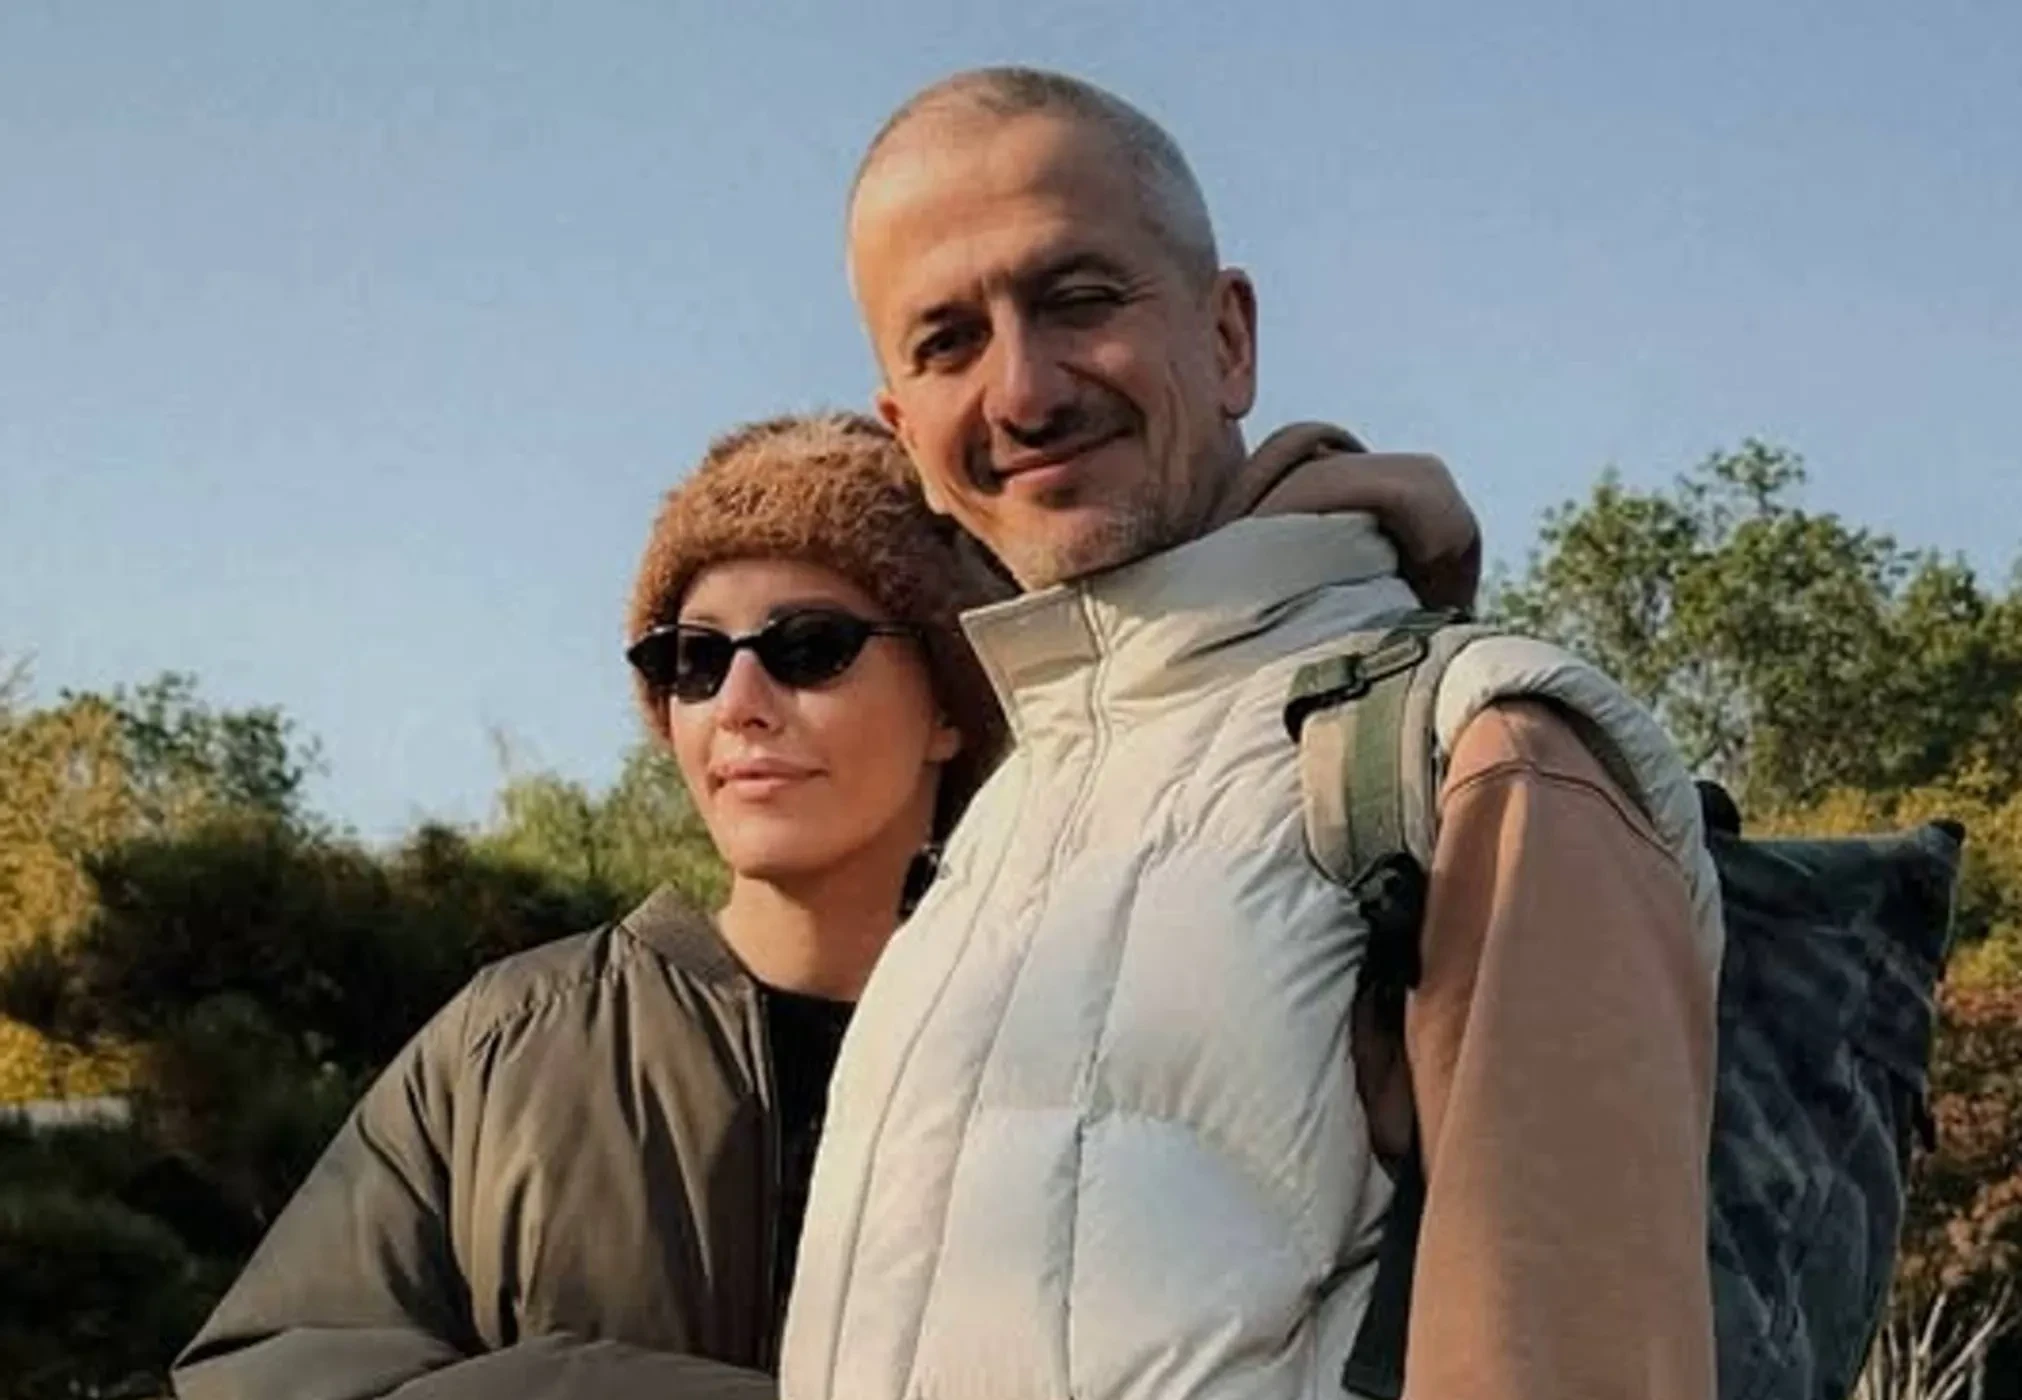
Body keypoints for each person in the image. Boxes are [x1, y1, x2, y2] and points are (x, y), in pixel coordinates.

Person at [780, 69, 1725, 1400]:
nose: (1023, 390)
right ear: (904, 430)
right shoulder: (985, 838)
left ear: (1227, 338)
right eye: (947, 342)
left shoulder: (1474, 752)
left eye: (1078, 299)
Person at [170, 412, 1010, 1399]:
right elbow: (262, 1374)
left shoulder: (1062, 1043)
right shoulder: (505, 1043)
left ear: (949, 707)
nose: (738, 699)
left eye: (810, 646)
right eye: (692, 658)